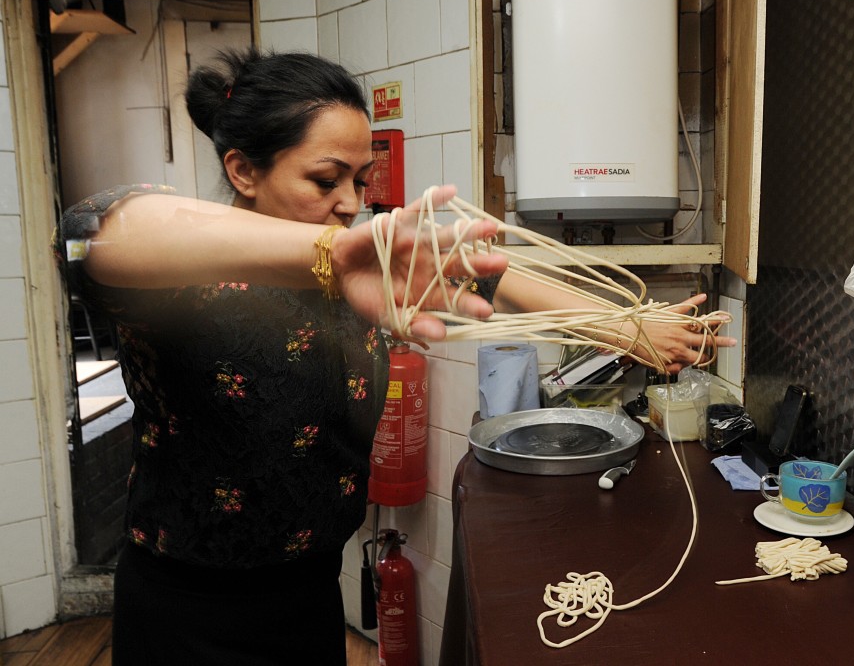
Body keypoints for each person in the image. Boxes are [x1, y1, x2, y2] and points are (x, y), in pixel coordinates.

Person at [55, 48, 734, 665]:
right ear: (242, 169)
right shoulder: (181, 273)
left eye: (359, 178)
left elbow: (492, 271)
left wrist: (625, 326)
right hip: (190, 612)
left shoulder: (360, 263)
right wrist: (325, 255)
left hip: (310, 592)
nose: (350, 204)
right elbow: (94, 233)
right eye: (325, 180)